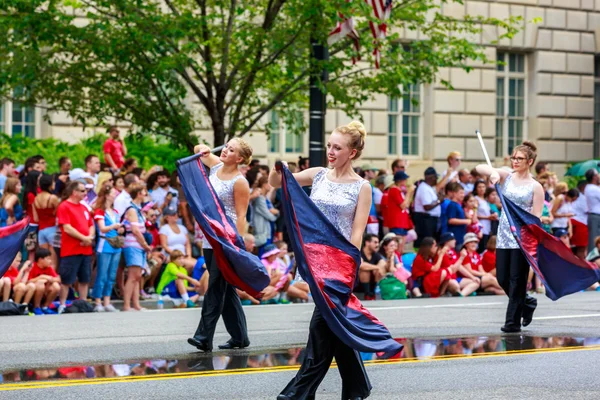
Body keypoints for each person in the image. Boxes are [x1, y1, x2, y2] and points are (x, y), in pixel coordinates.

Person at [270, 121, 376, 400]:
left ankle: (300, 391)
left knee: (321, 324)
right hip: (314, 259)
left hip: (339, 264)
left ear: (352, 153)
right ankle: (356, 387)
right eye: (329, 145)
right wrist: (278, 168)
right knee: (332, 324)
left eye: (337, 147)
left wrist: (348, 266)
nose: (330, 151)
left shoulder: (362, 187)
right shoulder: (318, 175)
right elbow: (276, 183)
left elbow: (357, 231)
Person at [188, 138, 253, 353]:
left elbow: (242, 215)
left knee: (215, 287)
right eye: (226, 147)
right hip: (210, 236)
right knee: (225, 289)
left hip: (227, 238)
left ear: (240, 158)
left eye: (231, 150)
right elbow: (198, 150)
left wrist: (236, 244)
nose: (225, 151)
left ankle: (203, 336)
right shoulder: (216, 166)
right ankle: (240, 337)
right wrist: (203, 148)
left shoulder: (239, 181)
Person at [476, 141, 544, 333]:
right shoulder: (507, 176)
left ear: (529, 161)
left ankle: (512, 322)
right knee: (503, 278)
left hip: (522, 236)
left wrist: (530, 235)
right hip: (504, 234)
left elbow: (537, 216)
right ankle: (527, 302)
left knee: (517, 279)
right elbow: (479, 167)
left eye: (519, 158)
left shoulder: (535, 186)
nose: (515, 161)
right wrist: (493, 173)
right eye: (513, 157)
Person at [56, 181, 95, 315]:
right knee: (67, 279)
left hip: (85, 249)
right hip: (71, 249)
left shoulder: (84, 207)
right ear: (74, 192)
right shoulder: (64, 206)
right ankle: (62, 304)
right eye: (83, 191)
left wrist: (89, 237)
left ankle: (82, 303)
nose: (85, 193)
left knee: (84, 279)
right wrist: (83, 238)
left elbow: (91, 224)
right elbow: (67, 228)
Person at [92, 184, 124, 312]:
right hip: (105, 244)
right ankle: (98, 301)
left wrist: (120, 229)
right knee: (102, 274)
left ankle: (107, 301)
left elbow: (117, 228)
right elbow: (102, 229)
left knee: (111, 275)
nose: (115, 194)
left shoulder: (115, 212)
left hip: (115, 244)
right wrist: (114, 226)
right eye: (113, 193)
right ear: (106, 195)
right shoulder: (100, 211)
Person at [122, 183, 152, 312]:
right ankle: (127, 305)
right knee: (133, 276)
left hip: (138, 246)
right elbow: (135, 230)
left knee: (138, 276)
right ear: (139, 194)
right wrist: (145, 245)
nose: (146, 195)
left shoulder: (138, 209)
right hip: (133, 245)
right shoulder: (132, 210)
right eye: (145, 192)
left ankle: (136, 304)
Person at [34, 174, 60, 267]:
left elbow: (36, 218)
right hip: (52, 228)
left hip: (41, 230)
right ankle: (52, 278)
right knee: (53, 258)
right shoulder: (52, 198)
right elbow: (59, 213)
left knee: (44, 258)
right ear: (50, 184)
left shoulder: (35, 198)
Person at [413, 167, 442, 246]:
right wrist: (439, 201)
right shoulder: (424, 188)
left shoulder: (428, 188)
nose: (436, 179)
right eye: (436, 177)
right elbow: (427, 207)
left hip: (430, 219)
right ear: (431, 178)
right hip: (425, 219)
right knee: (427, 242)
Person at [386, 171, 414, 251]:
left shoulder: (399, 191)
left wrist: (410, 193)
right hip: (397, 222)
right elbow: (403, 206)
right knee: (397, 248)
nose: (406, 182)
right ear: (400, 180)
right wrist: (409, 192)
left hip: (402, 222)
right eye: (405, 180)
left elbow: (407, 204)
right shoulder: (394, 190)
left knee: (401, 248)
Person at [28, 249, 61, 315]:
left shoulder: (49, 268)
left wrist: (49, 279)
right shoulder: (33, 267)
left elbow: (58, 279)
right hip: (33, 290)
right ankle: (36, 307)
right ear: (40, 260)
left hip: (46, 289)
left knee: (56, 286)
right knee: (40, 283)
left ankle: (45, 307)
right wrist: (41, 277)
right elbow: (28, 281)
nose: (50, 261)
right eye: (48, 259)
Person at [251, 176, 279, 255]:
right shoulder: (260, 198)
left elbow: (272, 210)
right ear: (264, 184)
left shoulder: (265, 197)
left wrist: (275, 212)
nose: (271, 186)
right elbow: (268, 214)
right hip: (262, 231)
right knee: (263, 254)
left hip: (268, 229)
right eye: (270, 183)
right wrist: (276, 214)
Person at [359, 234, 386, 300]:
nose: (377, 245)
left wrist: (378, 267)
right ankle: (367, 294)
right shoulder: (359, 252)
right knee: (365, 271)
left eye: (378, 242)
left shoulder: (375, 254)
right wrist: (377, 267)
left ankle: (374, 292)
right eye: (375, 242)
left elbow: (383, 263)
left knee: (380, 267)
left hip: (372, 282)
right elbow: (361, 265)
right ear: (367, 243)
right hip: (358, 283)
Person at [474, 180, 497, 252]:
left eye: (483, 187)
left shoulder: (486, 200)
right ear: (476, 189)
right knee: (481, 248)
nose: (481, 189)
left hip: (487, 227)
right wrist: (487, 217)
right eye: (479, 187)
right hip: (480, 227)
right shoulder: (475, 199)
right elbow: (474, 214)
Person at [585, 169, 600, 253]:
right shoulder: (593, 188)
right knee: (594, 239)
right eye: (597, 174)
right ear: (594, 177)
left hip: (595, 216)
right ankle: (593, 259)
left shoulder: (591, 187)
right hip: (595, 216)